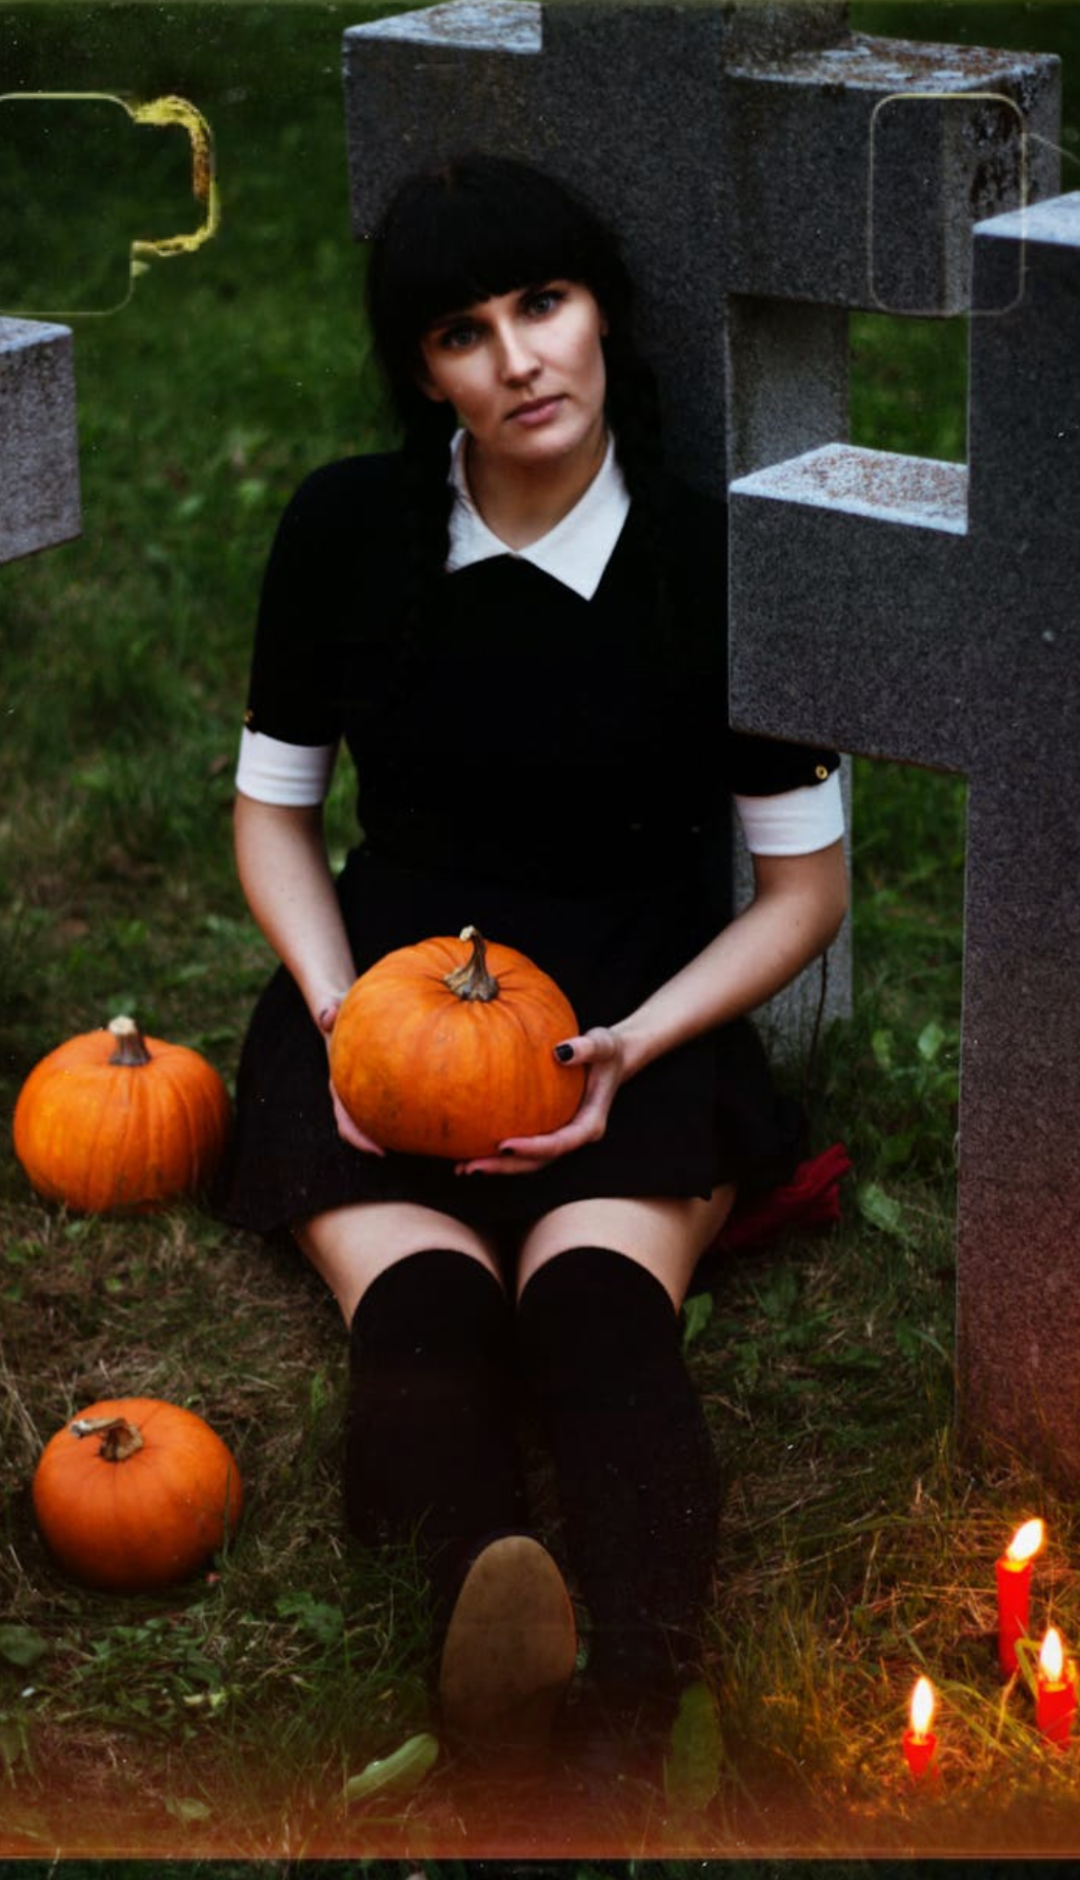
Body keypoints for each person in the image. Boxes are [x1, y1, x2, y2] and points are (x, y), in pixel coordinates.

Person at [213, 153, 848, 1786]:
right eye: (462, 332)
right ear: (422, 372)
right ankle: (486, 1671)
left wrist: (636, 1042)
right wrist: (346, 1016)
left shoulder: (717, 560)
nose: (518, 360)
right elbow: (273, 816)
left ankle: (630, 1707)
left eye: (543, 304)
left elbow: (805, 893)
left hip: (638, 1008)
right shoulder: (348, 530)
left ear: (603, 312)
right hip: (385, 1003)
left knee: (593, 1318)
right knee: (424, 1320)